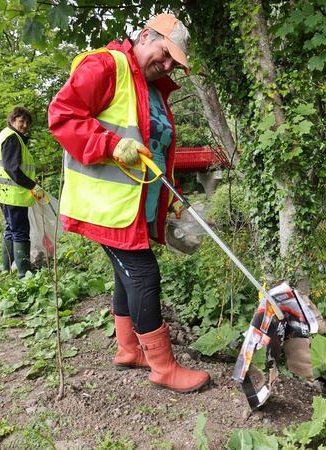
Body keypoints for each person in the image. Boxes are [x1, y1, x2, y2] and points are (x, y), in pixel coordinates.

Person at [48, 13, 209, 393]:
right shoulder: (106, 66)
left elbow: (154, 148)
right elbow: (62, 116)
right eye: (164, 53)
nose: (167, 64)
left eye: (174, 63)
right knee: (144, 275)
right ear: (143, 35)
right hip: (106, 206)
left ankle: (128, 349)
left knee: (127, 276)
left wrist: (168, 199)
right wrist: (109, 144)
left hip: (133, 206)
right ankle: (163, 367)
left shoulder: (153, 86)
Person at [0, 107, 45, 278]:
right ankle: (24, 272)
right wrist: (32, 185)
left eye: (27, 122)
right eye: (21, 121)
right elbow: (12, 169)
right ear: (12, 121)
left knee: (11, 230)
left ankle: (6, 269)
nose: (25, 125)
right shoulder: (12, 138)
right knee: (20, 232)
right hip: (13, 194)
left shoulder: (7, 135)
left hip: (4, 193)